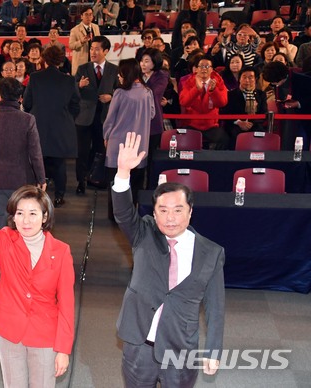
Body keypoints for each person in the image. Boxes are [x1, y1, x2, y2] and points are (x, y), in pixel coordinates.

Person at [112, 132, 225, 388]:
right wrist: (122, 173)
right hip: (140, 343)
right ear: (154, 213)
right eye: (163, 210)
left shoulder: (211, 252)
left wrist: (214, 350)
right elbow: (122, 213)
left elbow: (216, 308)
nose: (170, 218)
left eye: (178, 210)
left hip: (181, 349)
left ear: (190, 212)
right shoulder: (144, 233)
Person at [0, 146, 74, 388]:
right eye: (20, 213)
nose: (25, 220)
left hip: (45, 333)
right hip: (9, 330)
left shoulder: (61, 251)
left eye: (33, 213)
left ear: (45, 216)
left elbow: (66, 303)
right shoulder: (6, 241)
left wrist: (63, 348)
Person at [0, 77, 46, 227]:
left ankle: (5, 251)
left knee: (3, 223)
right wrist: (41, 178)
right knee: (24, 222)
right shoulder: (28, 119)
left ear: (0, 95)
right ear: (20, 98)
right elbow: (35, 153)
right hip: (22, 179)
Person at [23, 46, 81, 208]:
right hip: (61, 127)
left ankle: (36, 195)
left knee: (36, 161)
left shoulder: (35, 78)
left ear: (44, 59)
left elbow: (27, 103)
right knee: (59, 163)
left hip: (38, 126)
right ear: (60, 61)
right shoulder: (69, 80)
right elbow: (76, 105)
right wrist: (68, 119)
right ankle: (59, 196)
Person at [103, 58, 154, 221]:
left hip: (118, 144)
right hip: (140, 145)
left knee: (116, 182)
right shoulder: (147, 92)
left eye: (120, 74)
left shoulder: (119, 93)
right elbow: (152, 114)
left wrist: (106, 136)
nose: (118, 77)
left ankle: (116, 215)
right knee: (137, 182)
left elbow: (110, 119)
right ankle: (133, 214)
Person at [74, 36, 119, 193]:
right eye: (91, 48)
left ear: (106, 51)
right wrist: (78, 85)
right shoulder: (83, 68)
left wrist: (111, 97)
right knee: (82, 151)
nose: (93, 52)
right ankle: (81, 181)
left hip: (105, 118)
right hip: (84, 117)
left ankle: (98, 178)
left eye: (97, 49)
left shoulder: (114, 70)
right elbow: (72, 92)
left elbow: (121, 91)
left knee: (101, 150)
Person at [179, 55, 230, 149]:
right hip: (192, 125)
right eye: (201, 66)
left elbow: (223, 103)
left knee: (225, 140)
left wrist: (213, 91)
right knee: (180, 139)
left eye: (207, 66)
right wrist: (196, 89)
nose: (204, 69)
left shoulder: (218, 82)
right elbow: (183, 102)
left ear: (211, 70)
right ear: (196, 69)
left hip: (211, 126)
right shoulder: (189, 82)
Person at [222, 66, 268, 148]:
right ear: (239, 79)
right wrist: (239, 122)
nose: (247, 80)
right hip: (236, 125)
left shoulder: (261, 94)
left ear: (255, 79)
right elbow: (225, 113)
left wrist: (254, 114)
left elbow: (264, 113)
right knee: (233, 134)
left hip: (255, 125)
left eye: (250, 78)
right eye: (244, 77)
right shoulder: (230, 95)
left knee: (261, 133)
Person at [69, 6, 100, 75]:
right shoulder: (74, 30)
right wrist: (81, 42)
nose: (88, 16)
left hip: (94, 62)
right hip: (81, 63)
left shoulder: (96, 27)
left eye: (90, 14)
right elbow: (71, 46)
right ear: (81, 16)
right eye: (86, 14)